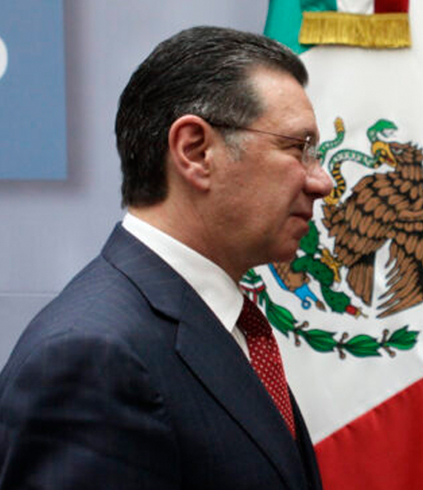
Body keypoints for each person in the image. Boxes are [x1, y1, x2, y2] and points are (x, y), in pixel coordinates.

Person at [0, 26, 333, 489]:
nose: (322, 182)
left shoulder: (217, 326)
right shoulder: (94, 356)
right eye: (298, 148)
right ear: (196, 152)